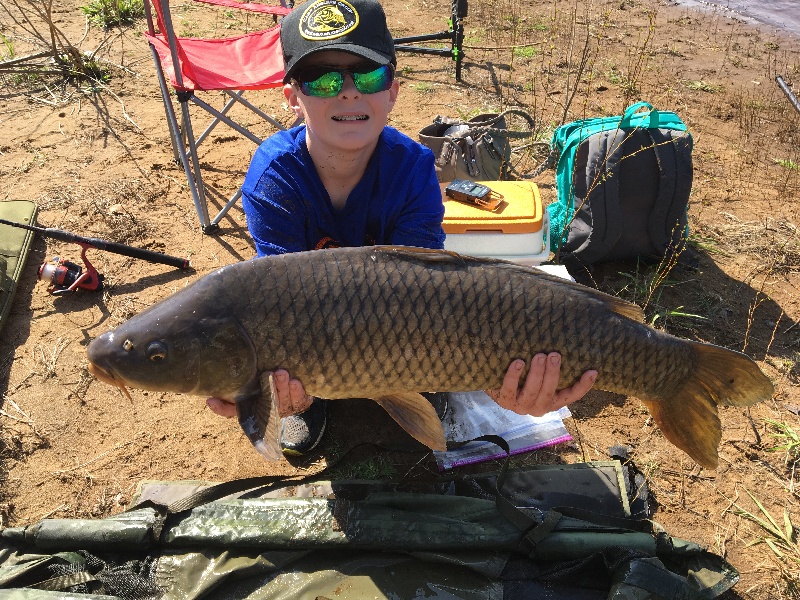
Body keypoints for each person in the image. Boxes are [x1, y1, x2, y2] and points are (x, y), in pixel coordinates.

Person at [206, 0, 597, 455]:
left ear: (392, 91)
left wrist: (495, 374)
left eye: (368, 76)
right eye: (324, 78)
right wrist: (260, 387)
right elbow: (280, 306)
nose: (348, 92)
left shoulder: (413, 168)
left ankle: (420, 385)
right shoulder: (273, 178)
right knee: (285, 361)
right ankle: (307, 402)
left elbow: (421, 291)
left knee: (437, 351)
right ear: (293, 96)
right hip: (314, 332)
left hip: (406, 325)